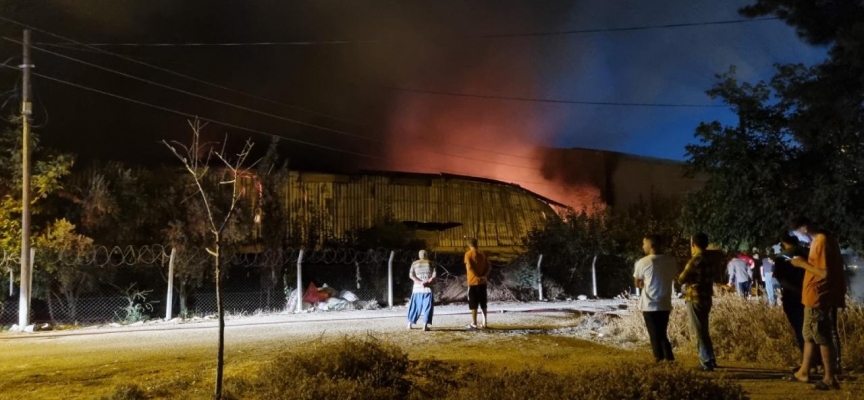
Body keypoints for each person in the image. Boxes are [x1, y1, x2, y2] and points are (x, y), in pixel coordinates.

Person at [788, 217, 846, 390]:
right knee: (810, 334)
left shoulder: (821, 242)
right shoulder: (823, 240)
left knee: (821, 335)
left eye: (797, 234)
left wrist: (801, 263)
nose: (798, 238)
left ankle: (829, 378)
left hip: (817, 296)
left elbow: (823, 273)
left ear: (804, 229)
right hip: (813, 296)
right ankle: (804, 371)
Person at [678, 232, 725, 371]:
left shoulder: (695, 260)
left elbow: (681, 279)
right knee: (704, 329)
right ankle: (710, 359)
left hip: (695, 297)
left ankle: (706, 361)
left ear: (693, 244)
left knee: (698, 331)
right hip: (706, 296)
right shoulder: (711, 260)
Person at [633, 234, 678, 362]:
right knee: (662, 332)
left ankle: (659, 358)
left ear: (651, 245)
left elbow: (637, 282)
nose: (643, 246)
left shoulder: (643, 262)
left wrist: (644, 284)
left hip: (650, 303)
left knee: (654, 333)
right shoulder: (670, 260)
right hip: (665, 302)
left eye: (644, 244)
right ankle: (668, 358)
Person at [464, 238, 491, 329]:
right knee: (483, 303)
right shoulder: (482, 255)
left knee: (473, 304)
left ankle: (474, 323)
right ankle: (484, 322)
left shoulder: (468, 254)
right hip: (483, 282)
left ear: (469, 245)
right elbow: (489, 266)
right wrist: (483, 275)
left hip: (473, 282)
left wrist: (477, 276)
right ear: (477, 245)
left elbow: (470, 267)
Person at [407, 250, 436, 331]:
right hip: (428, 289)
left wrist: (419, 282)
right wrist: (427, 282)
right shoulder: (431, 263)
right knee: (427, 307)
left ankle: (409, 324)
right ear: (426, 255)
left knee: (415, 307)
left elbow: (411, 275)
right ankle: (425, 326)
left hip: (417, 289)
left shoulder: (414, 264)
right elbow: (434, 276)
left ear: (419, 255)